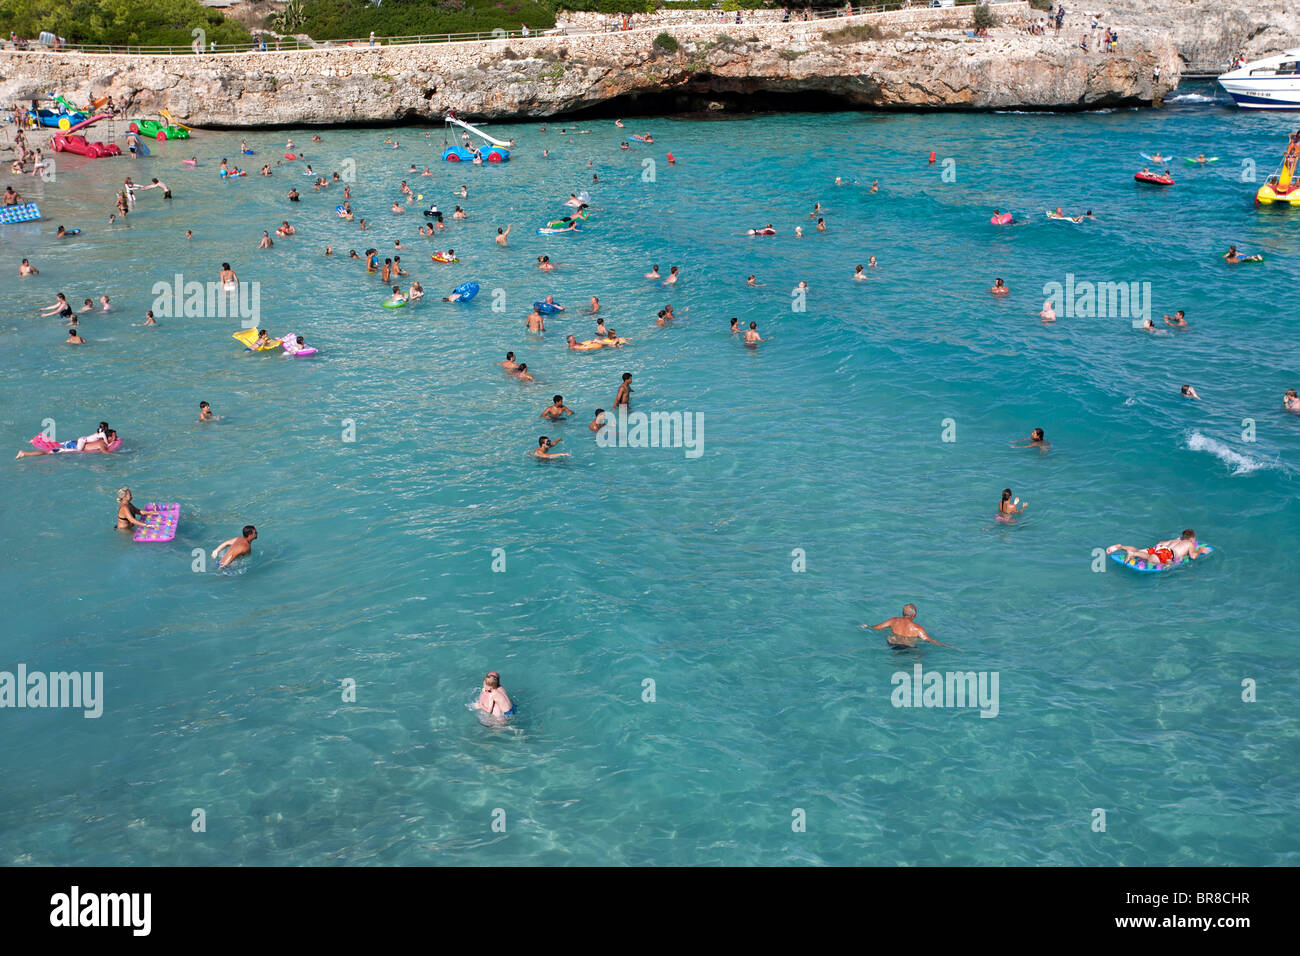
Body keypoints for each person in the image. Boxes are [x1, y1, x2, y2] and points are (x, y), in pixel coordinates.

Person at [860, 604, 957, 648]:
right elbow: (930, 640)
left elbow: (877, 627)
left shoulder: (893, 620)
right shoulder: (917, 628)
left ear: (902, 613)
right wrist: (947, 645)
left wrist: (866, 626)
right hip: (907, 647)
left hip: (892, 644)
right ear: (914, 615)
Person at [1106, 529, 1207, 567]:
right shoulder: (1189, 544)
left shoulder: (1176, 540)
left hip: (1160, 547)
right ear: (1192, 539)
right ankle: (1134, 554)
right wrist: (1200, 551)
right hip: (1168, 553)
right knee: (1151, 560)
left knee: (1140, 551)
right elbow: (1193, 556)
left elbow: (1160, 543)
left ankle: (1121, 547)